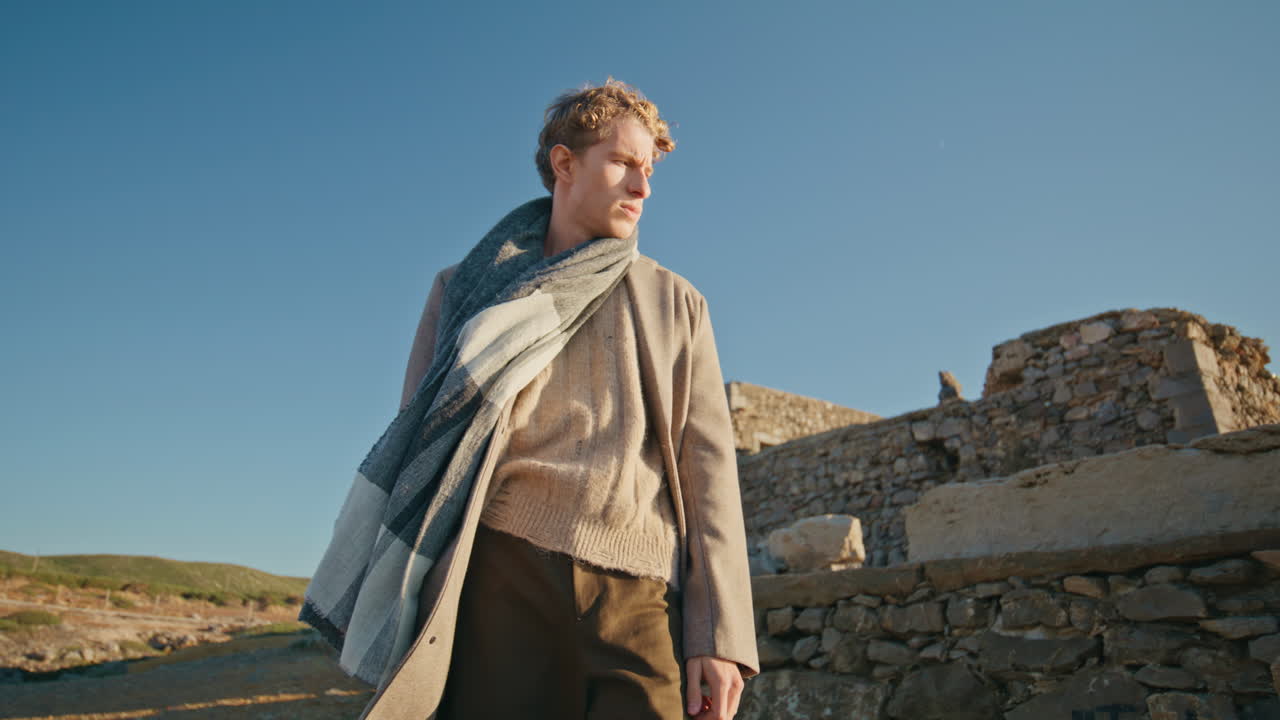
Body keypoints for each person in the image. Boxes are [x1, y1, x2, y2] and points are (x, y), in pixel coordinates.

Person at [301, 78, 758, 720]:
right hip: (497, 581)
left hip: (641, 601)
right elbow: (419, 452)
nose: (642, 187)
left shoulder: (675, 303)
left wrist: (718, 636)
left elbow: (708, 473)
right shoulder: (463, 291)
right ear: (564, 164)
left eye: (649, 170)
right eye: (624, 162)